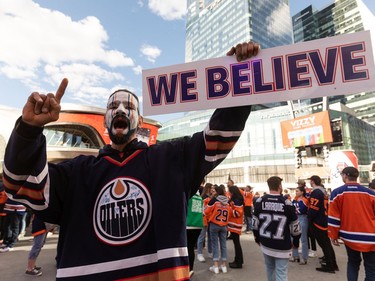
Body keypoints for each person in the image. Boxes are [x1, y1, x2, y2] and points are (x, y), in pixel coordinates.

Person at [1, 42, 260, 280]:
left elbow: (217, 138)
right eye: (113, 107)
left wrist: (239, 77)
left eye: (130, 107)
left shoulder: (170, 159)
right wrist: (27, 131)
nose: (121, 111)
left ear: (139, 121)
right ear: (105, 121)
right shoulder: (75, 173)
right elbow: (20, 183)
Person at [328, 166, 375, 281]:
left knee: (353, 263)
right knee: (371, 268)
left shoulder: (337, 193)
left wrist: (333, 235)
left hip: (350, 236)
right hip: (371, 237)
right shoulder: (370, 194)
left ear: (344, 176)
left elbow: (333, 218)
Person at [253, 176, 301, 281]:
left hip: (266, 242)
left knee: (270, 269)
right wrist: (296, 242)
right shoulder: (287, 203)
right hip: (282, 245)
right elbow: (295, 227)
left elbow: (255, 224)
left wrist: (257, 238)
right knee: (281, 273)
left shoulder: (259, 201)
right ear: (280, 186)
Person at [307, 175, 338, 273]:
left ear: (312, 182)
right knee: (327, 244)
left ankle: (330, 266)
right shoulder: (323, 191)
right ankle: (333, 263)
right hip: (323, 219)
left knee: (324, 244)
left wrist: (309, 219)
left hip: (318, 221)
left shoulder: (316, 192)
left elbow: (313, 208)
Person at [204, 185, 230, 274]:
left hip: (214, 224)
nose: (212, 192)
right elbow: (229, 214)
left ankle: (215, 266)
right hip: (224, 226)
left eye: (214, 191)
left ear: (217, 192)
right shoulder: (227, 202)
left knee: (215, 244)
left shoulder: (214, 201)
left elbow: (206, 211)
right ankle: (224, 265)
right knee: (223, 245)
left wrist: (209, 215)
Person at [186, 190, 204, 278]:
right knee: (191, 248)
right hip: (198, 225)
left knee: (186, 248)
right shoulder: (200, 198)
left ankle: (185, 270)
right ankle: (191, 269)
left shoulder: (188, 197)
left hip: (188, 225)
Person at [290, 185, 309, 265]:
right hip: (295, 218)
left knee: (303, 239)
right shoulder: (295, 199)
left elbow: (308, 210)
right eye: (296, 191)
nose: (296, 192)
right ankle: (295, 256)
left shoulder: (305, 200)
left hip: (303, 218)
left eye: (297, 191)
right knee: (293, 238)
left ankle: (304, 258)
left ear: (302, 192)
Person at [228, 185, 244, 269]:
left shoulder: (237, 200)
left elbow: (237, 213)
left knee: (237, 243)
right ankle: (238, 260)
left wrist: (229, 209)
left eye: (229, 191)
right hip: (234, 224)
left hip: (236, 224)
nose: (228, 193)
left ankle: (238, 262)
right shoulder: (236, 199)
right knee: (236, 243)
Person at [197, 182, 214, 262]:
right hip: (204, 219)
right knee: (202, 237)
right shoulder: (203, 198)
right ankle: (199, 253)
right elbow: (203, 209)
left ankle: (210, 252)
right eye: (212, 188)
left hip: (210, 219)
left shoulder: (211, 197)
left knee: (210, 237)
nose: (213, 190)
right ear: (208, 189)